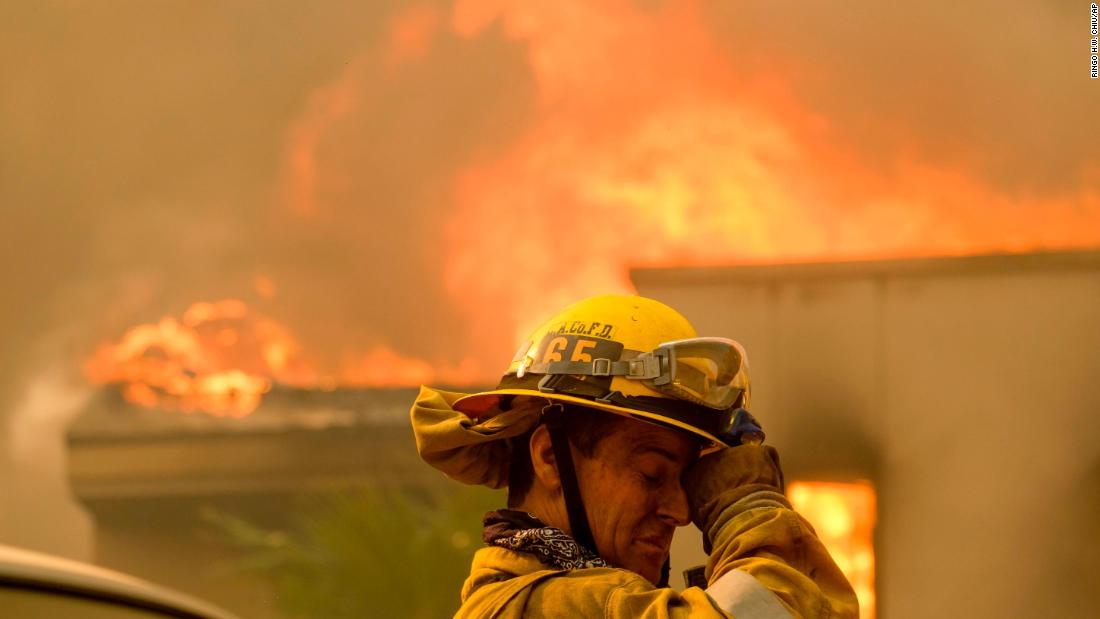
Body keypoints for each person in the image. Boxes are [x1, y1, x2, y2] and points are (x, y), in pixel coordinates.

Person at [411, 295, 857, 617]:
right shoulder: (550, 609)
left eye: (686, 480)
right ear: (549, 456)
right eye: (651, 473)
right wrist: (747, 504)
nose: (681, 511)